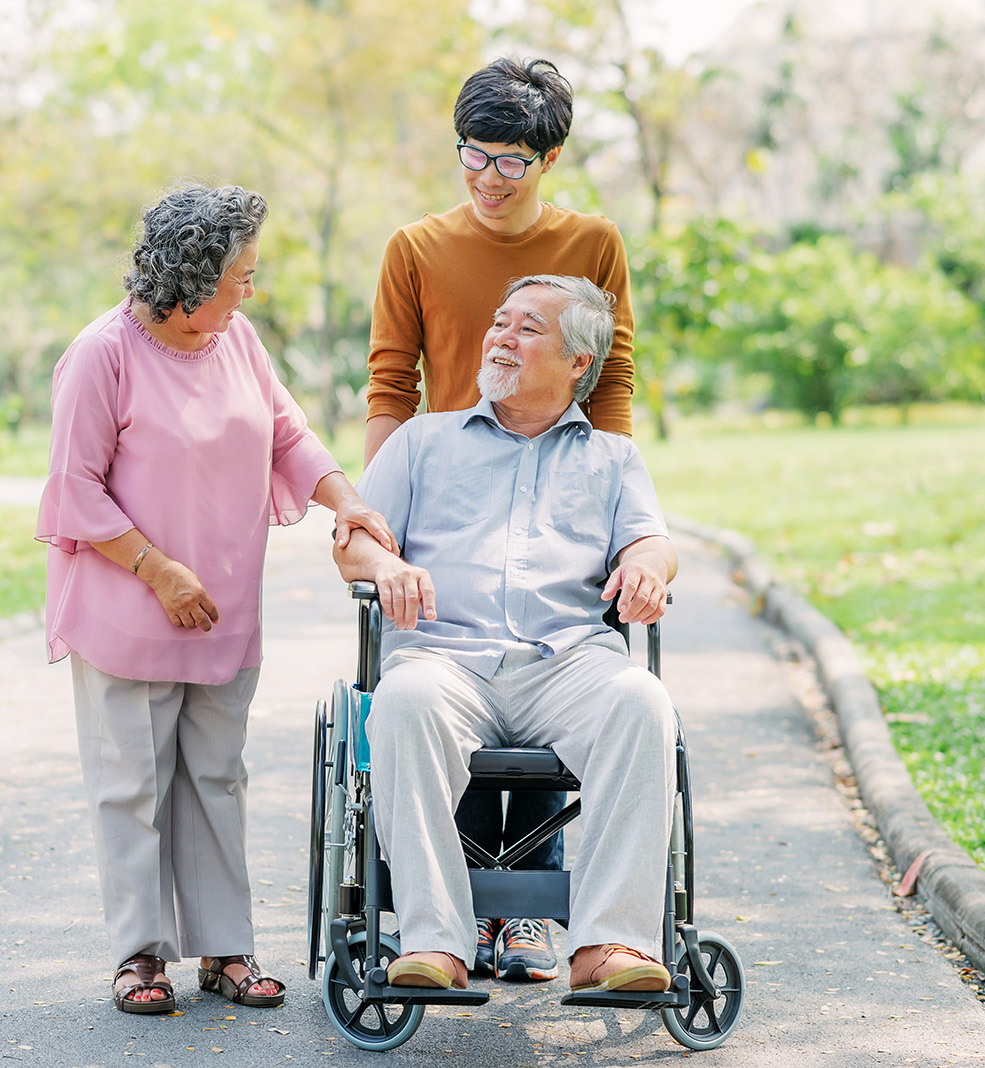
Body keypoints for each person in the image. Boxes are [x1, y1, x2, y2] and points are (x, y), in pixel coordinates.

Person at [36, 182, 395, 1016]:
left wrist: (344, 498)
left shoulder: (238, 341)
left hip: (222, 605)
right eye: (241, 276)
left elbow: (288, 433)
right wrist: (157, 568)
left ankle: (226, 949)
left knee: (215, 777)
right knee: (132, 783)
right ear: (192, 278)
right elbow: (73, 489)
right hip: (130, 607)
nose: (249, 291)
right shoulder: (104, 353)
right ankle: (139, 956)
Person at [363, 56, 640, 982]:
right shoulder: (416, 245)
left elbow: (614, 381)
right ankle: (448, 931)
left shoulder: (592, 243)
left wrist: (609, 502)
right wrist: (377, 522)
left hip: (553, 472)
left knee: (577, 685)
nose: (486, 175)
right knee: (436, 693)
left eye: (508, 161)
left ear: (548, 159)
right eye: (470, 155)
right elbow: (389, 383)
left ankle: (543, 924)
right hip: (445, 483)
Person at [335, 274, 677, 995]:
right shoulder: (421, 442)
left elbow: (652, 542)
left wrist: (645, 565)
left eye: (526, 328)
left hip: (567, 665)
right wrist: (385, 562)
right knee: (402, 702)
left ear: (579, 362)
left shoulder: (613, 459)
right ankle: (435, 942)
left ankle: (609, 944)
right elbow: (351, 543)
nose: (500, 337)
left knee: (644, 703)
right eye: (499, 323)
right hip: (443, 659)